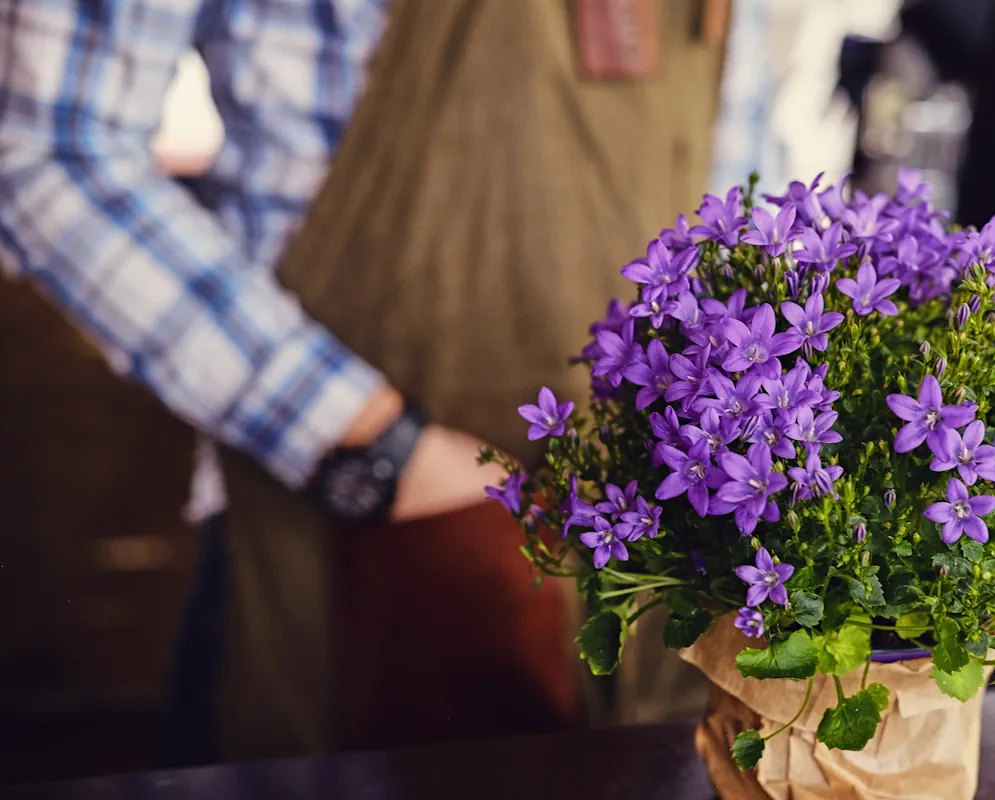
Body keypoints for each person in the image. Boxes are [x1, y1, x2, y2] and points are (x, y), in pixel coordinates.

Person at [0, 0, 733, 762]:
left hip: (660, 563)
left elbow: (732, 169)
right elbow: (47, 147)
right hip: (354, 539)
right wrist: (375, 451)